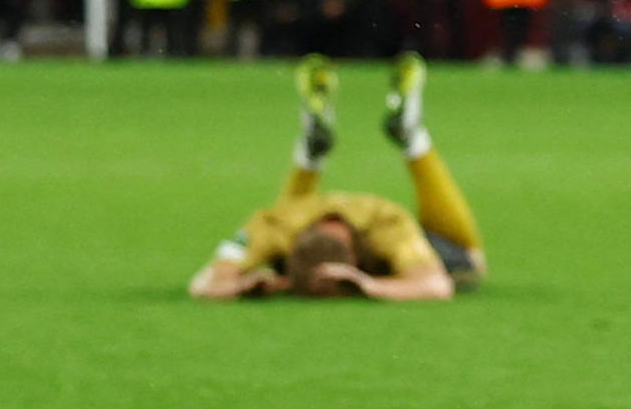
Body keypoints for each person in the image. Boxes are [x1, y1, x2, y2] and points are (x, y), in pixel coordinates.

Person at [185, 53, 488, 302]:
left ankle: (318, 154)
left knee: (472, 260)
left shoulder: (386, 225)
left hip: (328, 216)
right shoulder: (276, 223)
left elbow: (438, 286)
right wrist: (243, 286)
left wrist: (369, 285)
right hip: (303, 211)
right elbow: (202, 285)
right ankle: (408, 141)